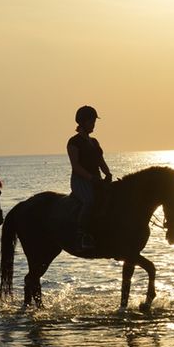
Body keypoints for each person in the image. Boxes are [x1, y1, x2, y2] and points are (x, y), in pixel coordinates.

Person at [68, 105, 112, 250]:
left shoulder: (94, 142)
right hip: (80, 180)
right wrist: (91, 178)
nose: (93, 125)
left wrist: (108, 173)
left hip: (96, 179)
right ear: (83, 122)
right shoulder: (73, 142)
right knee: (89, 201)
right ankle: (82, 235)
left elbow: (101, 161)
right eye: (91, 122)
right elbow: (76, 166)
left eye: (94, 122)